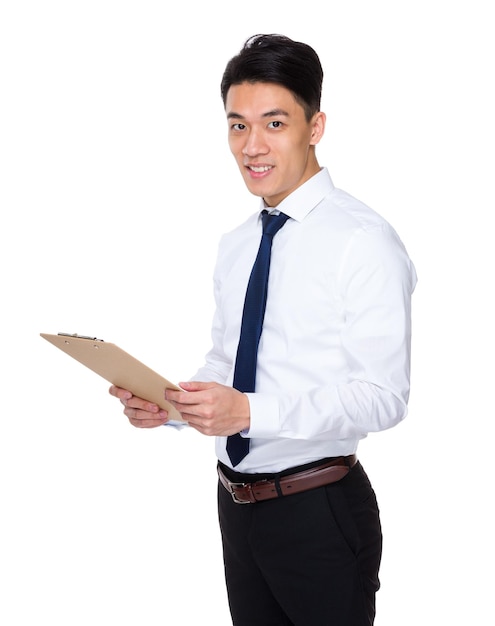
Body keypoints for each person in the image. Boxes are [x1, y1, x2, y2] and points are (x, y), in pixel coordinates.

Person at [110, 34, 417, 626]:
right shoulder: (237, 243)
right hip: (237, 508)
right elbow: (228, 362)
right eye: (237, 126)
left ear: (315, 125)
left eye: (274, 122)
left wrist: (249, 414)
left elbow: (384, 398)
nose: (252, 146)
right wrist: (170, 405)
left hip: (319, 512)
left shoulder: (364, 242)